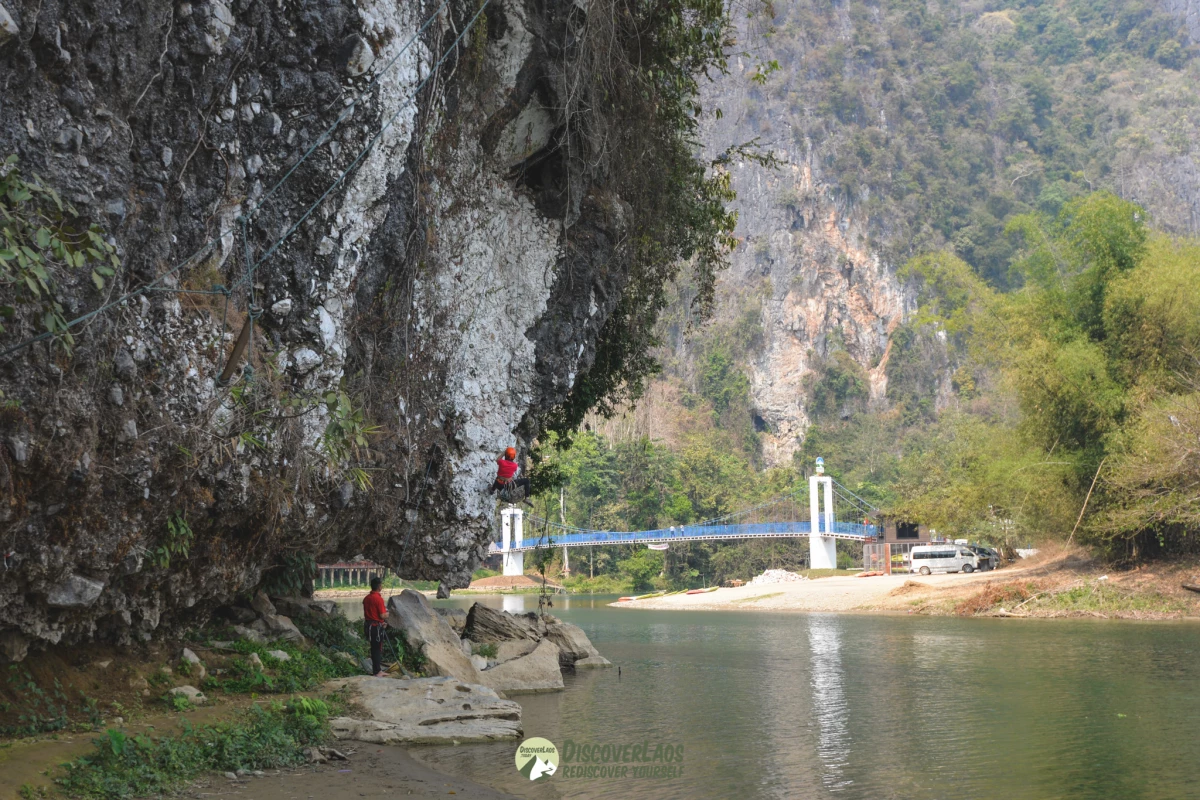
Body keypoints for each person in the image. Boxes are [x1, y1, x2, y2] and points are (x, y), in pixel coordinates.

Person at [362, 576, 388, 677]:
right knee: (377, 648)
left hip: (368, 626)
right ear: (379, 586)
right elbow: (382, 615)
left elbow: (371, 613)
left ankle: (376, 670)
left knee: (374, 648)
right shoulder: (378, 599)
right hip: (375, 628)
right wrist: (387, 614)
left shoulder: (366, 598)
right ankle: (377, 672)